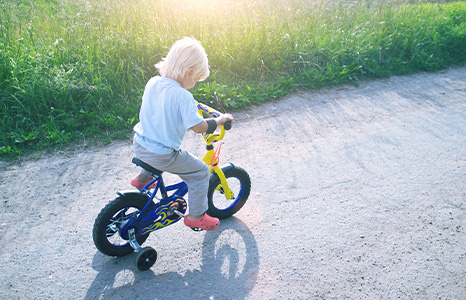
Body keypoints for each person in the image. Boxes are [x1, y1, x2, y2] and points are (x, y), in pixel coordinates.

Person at [131, 37, 233, 231]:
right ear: (189, 72)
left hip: (140, 144)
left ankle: (143, 178)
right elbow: (198, 127)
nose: (194, 84)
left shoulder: (153, 82)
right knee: (201, 171)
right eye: (195, 80)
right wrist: (219, 121)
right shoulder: (183, 96)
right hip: (162, 155)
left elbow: (164, 107)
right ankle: (196, 216)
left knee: (154, 144)